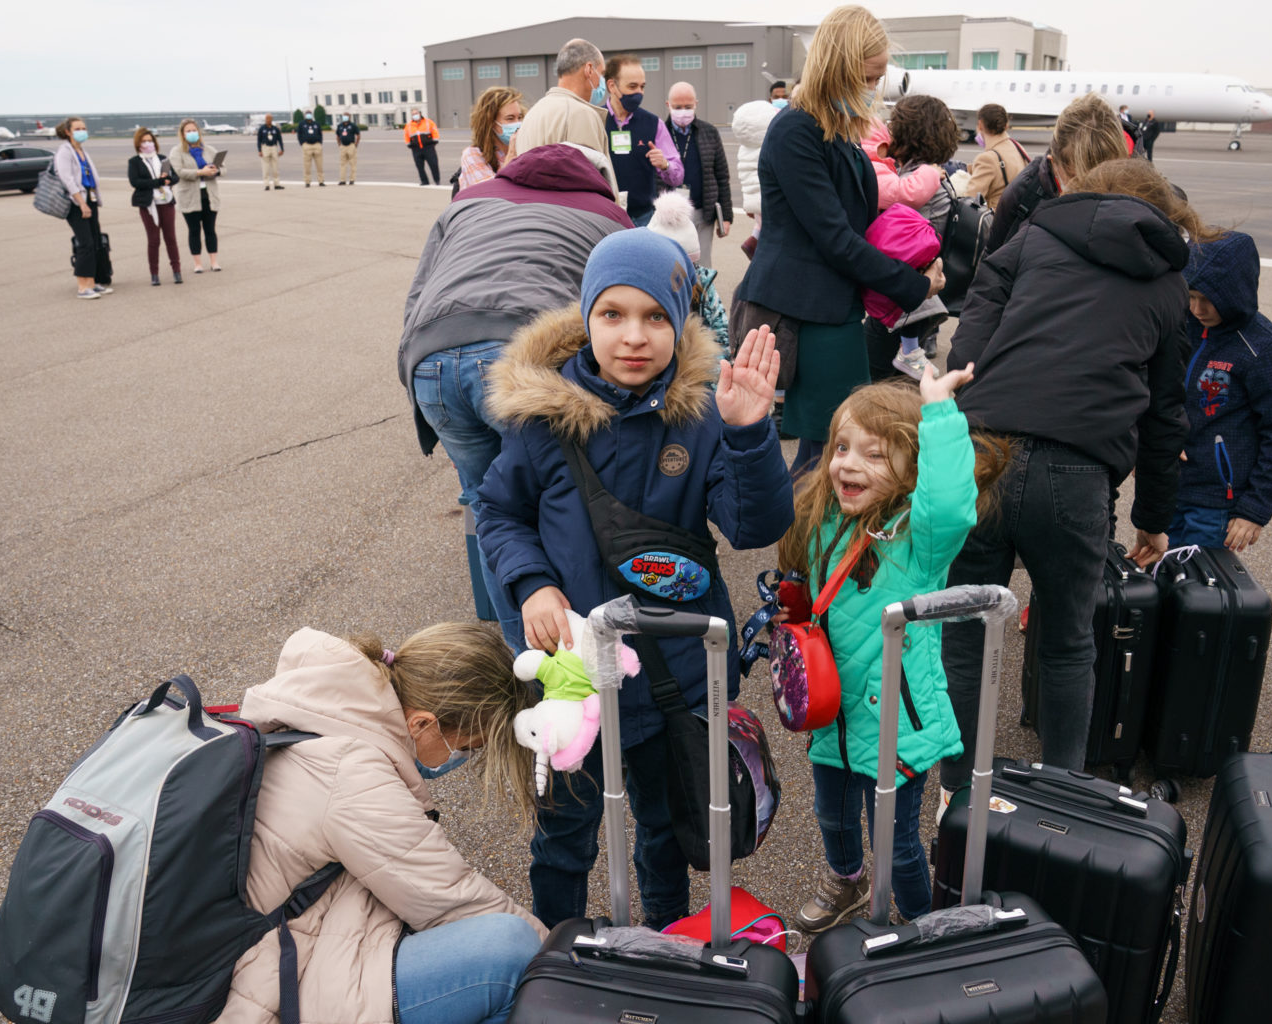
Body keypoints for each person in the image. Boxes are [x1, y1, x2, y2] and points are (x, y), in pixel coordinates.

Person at [475, 230, 794, 929]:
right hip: (572, 674)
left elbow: (753, 526)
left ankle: (665, 941)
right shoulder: (542, 420)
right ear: (586, 315)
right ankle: (558, 945)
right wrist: (532, 583)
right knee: (565, 832)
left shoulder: (703, 415)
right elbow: (498, 511)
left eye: (655, 316)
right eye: (612, 313)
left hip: (672, 673)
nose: (634, 336)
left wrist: (749, 433)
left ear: (680, 319)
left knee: (665, 831)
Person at [938, 158, 1216, 807]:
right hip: (1078, 469)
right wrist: (1153, 518)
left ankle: (956, 791)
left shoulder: (1031, 237)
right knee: (1067, 646)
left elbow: (965, 354)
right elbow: (1164, 415)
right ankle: (1061, 799)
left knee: (967, 636)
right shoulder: (1167, 283)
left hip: (985, 453)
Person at [214, 622, 547, 1024]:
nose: (461, 758)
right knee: (514, 953)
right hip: (269, 979)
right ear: (422, 724)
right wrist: (566, 957)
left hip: (274, 934)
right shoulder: (352, 774)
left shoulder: (329, 709)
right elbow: (452, 899)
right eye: (466, 747)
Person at [779, 373, 1004, 929]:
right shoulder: (824, 522)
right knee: (831, 815)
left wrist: (940, 415)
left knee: (898, 842)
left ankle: (920, 923)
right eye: (841, 448)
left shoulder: (918, 541)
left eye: (874, 454)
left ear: (913, 469)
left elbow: (949, 506)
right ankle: (847, 879)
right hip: (834, 715)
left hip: (895, 724)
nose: (848, 464)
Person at [398, 143, 632, 641]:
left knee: (491, 509)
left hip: (432, 356)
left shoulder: (468, 201)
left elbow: (417, 295)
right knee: (558, 500)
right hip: (520, 356)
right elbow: (625, 300)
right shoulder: (607, 214)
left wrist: (414, 370)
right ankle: (573, 652)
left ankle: (519, 655)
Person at [730, 4, 944, 477]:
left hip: (833, 306)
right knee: (830, 452)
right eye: (867, 78)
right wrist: (915, 285)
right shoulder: (797, 130)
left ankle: (809, 525)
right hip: (808, 311)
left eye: (878, 78)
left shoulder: (835, 130)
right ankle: (801, 526)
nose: (873, 87)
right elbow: (835, 239)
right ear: (837, 69)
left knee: (833, 448)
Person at [1171, 230, 1272, 552]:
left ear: (1235, 291)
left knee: (1199, 581)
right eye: (1191, 295)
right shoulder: (1180, 326)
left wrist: (1254, 508)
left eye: (1208, 299)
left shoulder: (1265, 347)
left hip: (1216, 504)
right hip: (1166, 487)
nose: (1197, 308)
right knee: (1156, 573)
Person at [861, 94, 962, 380]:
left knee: (873, 379)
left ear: (909, 132)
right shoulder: (929, 174)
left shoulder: (918, 181)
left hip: (901, 304)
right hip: (912, 300)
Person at [984, 92, 1129, 255]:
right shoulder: (1023, 194)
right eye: (1077, 181)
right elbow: (993, 259)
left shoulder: (1140, 188)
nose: (1090, 193)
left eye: (1103, 181)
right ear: (1053, 161)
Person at [513, 39, 618, 196]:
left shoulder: (533, 113)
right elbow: (592, 188)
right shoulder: (580, 114)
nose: (602, 82)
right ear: (589, 70)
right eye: (601, 74)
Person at [600, 54, 684, 226]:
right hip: (604, 217)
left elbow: (678, 176)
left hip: (643, 219)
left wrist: (665, 165)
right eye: (632, 86)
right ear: (612, 86)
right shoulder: (595, 120)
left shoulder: (654, 124)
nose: (639, 92)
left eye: (642, 86)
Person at [646, 190, 728, 352]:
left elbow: (720, 332)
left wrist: (717, 363)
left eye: (688, 264)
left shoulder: (703, 282)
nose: (680, 272)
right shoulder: (643, 286)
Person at [663, 82, 732, 267]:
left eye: (688, 106)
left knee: (702, 265)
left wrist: (726, 216)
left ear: (696, 104)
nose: (683, 111)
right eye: (678, 107)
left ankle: (701, 288)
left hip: (703, 212)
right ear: (668, 105)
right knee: (673, 265)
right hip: (670, 215)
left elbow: (722, 176)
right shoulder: (660, 132)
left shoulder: (709, 132)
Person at [52, 117, 110, 299]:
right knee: (85, 243)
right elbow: (67, 179)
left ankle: (92, 282)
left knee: (94, 241)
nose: (82, 131)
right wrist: (81, 203)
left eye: (83, 128)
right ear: (68, 132)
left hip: (90, 199)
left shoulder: (81, 151)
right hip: (76, 203)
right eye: (77, 129)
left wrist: (91, 201)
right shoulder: (65, 151)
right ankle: (82, 286)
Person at [126, 128, 182, 286]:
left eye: (150, 141)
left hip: (166, 202)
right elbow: (135, 182)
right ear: (138, 144)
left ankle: (176, 271)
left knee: (170, 238)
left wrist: (168, 180)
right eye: (144, 141)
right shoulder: (134, 162)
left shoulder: (163, 159)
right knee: (153, 240)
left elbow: (175, 177)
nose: (148, 144)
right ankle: (154, 274)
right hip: (148, 205)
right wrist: (158, 182)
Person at [169, 119, 222, 273]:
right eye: (188, 131)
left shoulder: (209, 149)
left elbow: (223, 168)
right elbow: (179, 172)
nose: (192, 133)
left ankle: (214, 261)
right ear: (182, 134)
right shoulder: (177, 151)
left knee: (210, 229)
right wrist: (200, 172)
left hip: (209, 195)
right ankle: (198, 263)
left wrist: (215, 170)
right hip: (189, 196)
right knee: (194, 230)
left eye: (194, 130)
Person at [731, 99, 781, 261]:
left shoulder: (745, 148)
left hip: (753, 201)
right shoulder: (770, 147)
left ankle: (754, 242)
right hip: (769, 201)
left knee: (761, 225)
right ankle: (755, 245)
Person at [965, 103, 1029, 210]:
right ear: (1006, 125)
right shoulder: (1017, 146)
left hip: (996, 216)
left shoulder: (987, 159)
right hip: (1016, 213)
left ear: (980, 125)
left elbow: (970, 200)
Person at [459, 87, 525, 189]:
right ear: (491, 123)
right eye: (510, 118)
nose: (517, 124)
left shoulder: (524, 150)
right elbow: (492, 192)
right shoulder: (473, 155)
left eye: (519, 117)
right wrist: (511, 156)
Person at [405, 107, 442, 186]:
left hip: (428, 148)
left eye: (416, 113)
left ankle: (437, 180)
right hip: (416, 149)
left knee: (434, 164)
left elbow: (435, 131)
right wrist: (408, 144)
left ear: (420, 113)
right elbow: (406, 135)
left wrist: (434, 141)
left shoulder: (429, 122)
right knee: (419, 166)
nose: (415, 115)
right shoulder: (409, 125)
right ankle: (424, 181)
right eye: (413, 114)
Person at [256, 114, 285, 190]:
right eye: (267, 118)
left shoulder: (275, 129)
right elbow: (259, 140)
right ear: (265, 119)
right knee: (265, 167)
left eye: (269, 118)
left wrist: (282, 149)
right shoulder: (262, 128)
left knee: (275, 167)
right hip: (265, 147)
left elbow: (280, 139)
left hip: (274, 147)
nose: (268, 120)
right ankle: (266, 184)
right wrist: (259, 150)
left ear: (272, 119)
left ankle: (277, 184)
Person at [296, 110, 325, 187]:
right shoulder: (302, 124)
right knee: (307, 165)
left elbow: (320, 134)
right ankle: (307, 182)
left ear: (312, 115)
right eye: (307, 114)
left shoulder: (316, 124)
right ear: (305, 115)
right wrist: (302, 144)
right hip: (307, 146)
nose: (308, 115)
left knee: (319, 165)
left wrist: (320, 143)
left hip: (316, 145)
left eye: (310, 114)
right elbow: (299, 134)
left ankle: (321, 181)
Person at [335, 112, 360, 185]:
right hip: (343, 146)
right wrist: (339, 144)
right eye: (344, 116)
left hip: (351, 146)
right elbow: (337, 135)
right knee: (342, 164)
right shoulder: (340, 126)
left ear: (349, 117)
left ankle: (352, 179)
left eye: (347, 116)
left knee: (352, 163)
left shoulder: (353, 125)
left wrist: (356, 144)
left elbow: (358, 135)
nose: (345, 117)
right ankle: (342, 180)